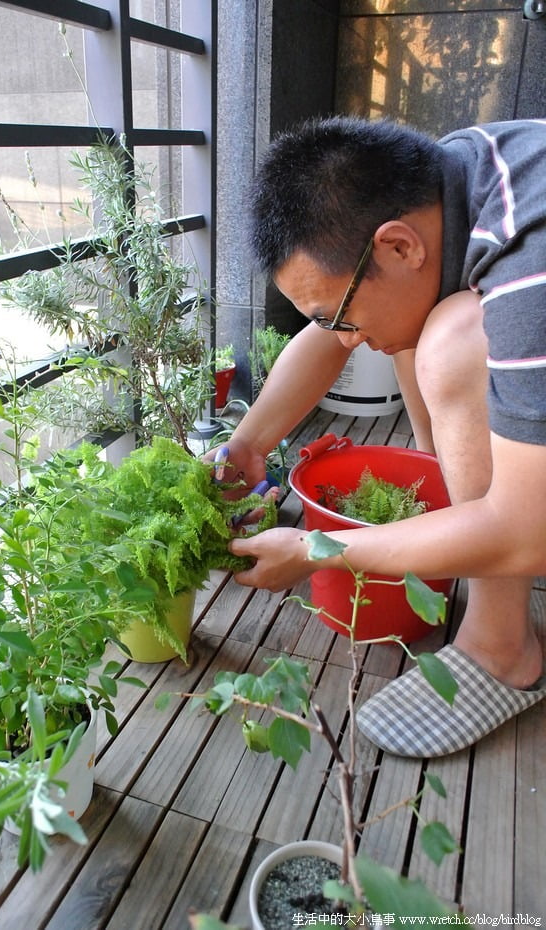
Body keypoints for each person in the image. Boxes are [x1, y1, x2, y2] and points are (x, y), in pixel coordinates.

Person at [212, 115, 546, 758]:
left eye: (340, 313)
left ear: (399, 247)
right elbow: (331, 334)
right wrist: (249, 446)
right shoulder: (447, 188)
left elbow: (529, 532)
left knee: (451, 340)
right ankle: (463, 511)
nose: (344, 338)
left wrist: (319, 550)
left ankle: (503, 650)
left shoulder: (531, 251)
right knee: (423, 321)